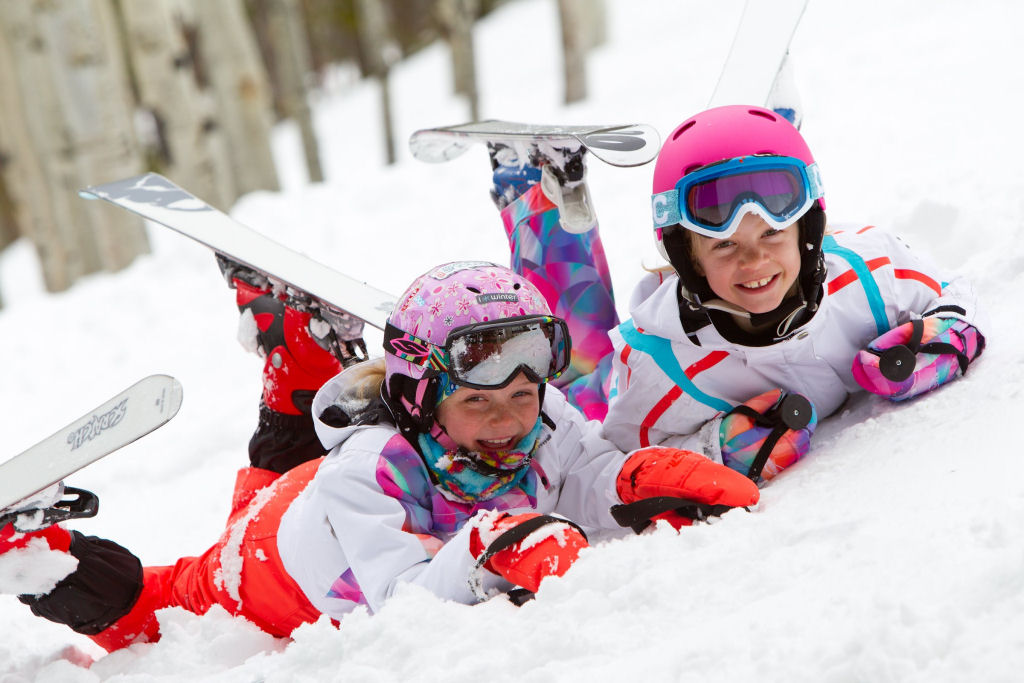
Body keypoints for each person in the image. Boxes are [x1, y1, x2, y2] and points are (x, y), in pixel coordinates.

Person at [0, 261, 759, 652]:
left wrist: (632, 479)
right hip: (267, 565)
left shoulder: (539, 412)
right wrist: (493, 542)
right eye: (479, 403)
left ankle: (294, 344)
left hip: (308, 494)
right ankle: (32, 551)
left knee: (286, 467)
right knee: (166, 601)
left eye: (523, 398)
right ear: (425, 395)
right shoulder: (372, 472)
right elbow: (404, 596)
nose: (508, 423)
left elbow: (582, 471)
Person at [488, 105, 986, 484]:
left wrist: (934, 343)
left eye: (773, 234)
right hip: (613, 383)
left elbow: (953, 297)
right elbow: (614, 461)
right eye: (725, 245)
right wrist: (717, 446)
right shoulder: (662, 369)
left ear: (807, 229)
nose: (754, 261)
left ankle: (763, 132)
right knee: (574, 360)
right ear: (687, 254)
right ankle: (535, 188)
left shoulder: (872, 273)